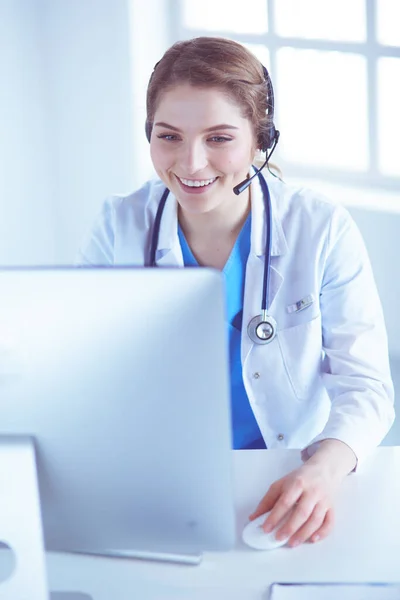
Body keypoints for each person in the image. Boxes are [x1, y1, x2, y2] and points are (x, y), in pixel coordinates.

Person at [76, 37, 395, 548]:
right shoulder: (121, 224)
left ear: (259, 140)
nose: (192, 163)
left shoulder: (320, 227)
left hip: (287, 470)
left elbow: (367, 386)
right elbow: (83, 367)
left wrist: (326, 469)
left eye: (219, 138)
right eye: (170, 136)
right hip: (162, 477)